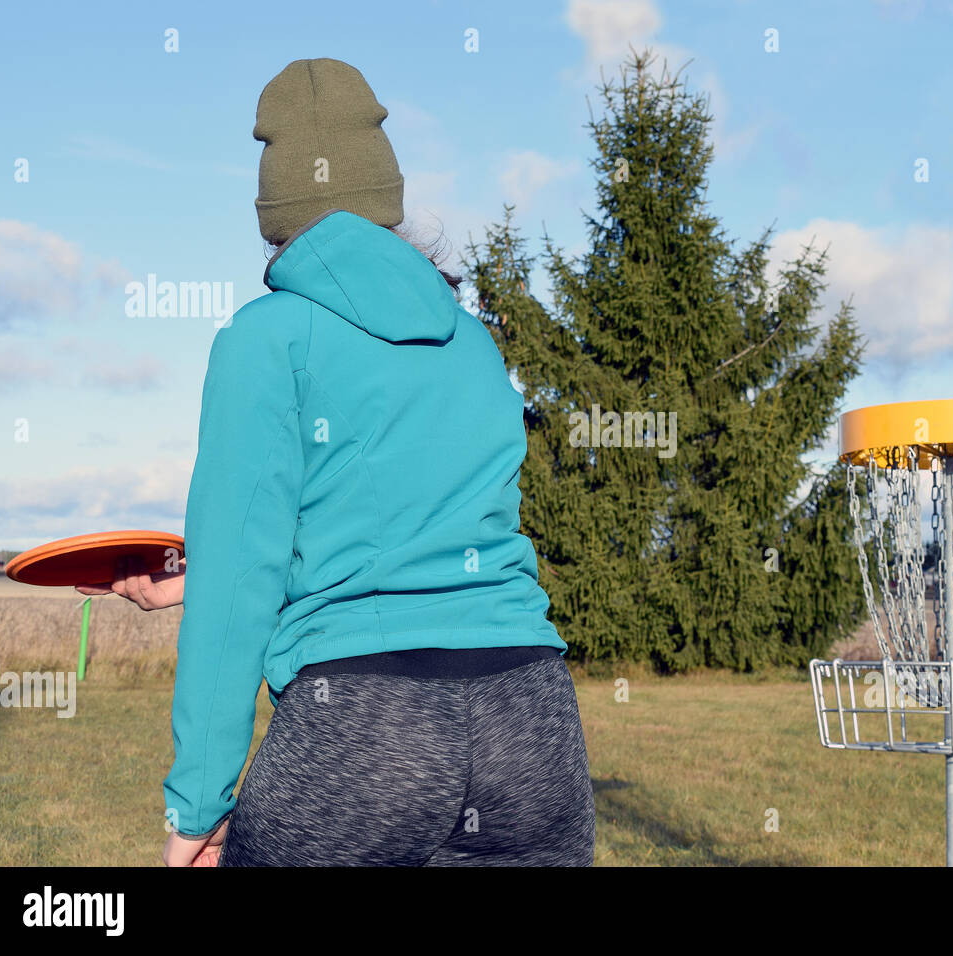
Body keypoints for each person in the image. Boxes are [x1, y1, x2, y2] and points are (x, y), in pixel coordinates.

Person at [79, 58, 595, 867]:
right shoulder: (474, 344)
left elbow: (240, 590)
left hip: (362, 729)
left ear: (276, 224)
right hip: (530, 723)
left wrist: (196, 809)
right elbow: (418, 532)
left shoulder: (265, 338)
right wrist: (197, 577)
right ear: (388, 206)